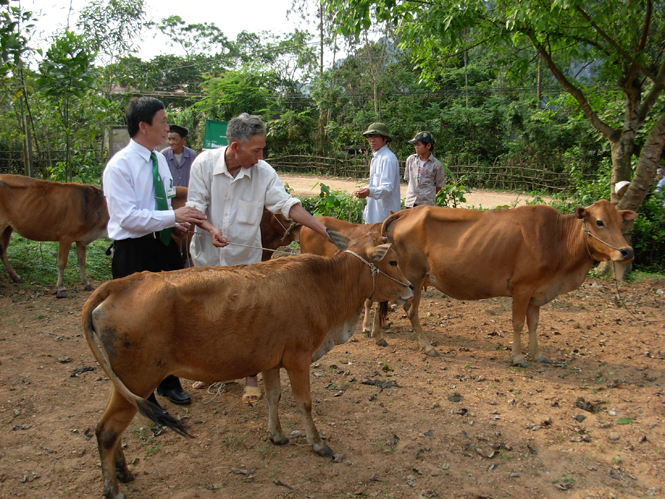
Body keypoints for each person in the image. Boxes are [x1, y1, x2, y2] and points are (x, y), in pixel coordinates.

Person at [186, 112, 331, 404]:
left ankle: (250, 374)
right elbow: (195, 206)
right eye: (256, 150)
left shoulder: (263, 172)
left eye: (262, 149)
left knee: (247, 318)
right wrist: (211, 228)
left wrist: (320, 227)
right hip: (208, 257)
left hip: (246, 262)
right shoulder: (203, 164)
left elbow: (286, 204)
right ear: (236, 147)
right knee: (211, 317)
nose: (261, 155)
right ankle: (213, 371)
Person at [103, 96, 207, 406]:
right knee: (138, 322)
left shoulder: (158, 159)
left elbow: (155, 205)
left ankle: (168, 381)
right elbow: (127, 219)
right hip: (133, 251)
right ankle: (142, 389)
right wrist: (174, 216)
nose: (167, 127)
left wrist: (173, 226)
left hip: (163, 246)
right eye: (162, 122)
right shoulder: (119, 167)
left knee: (169, 316)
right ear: (143, 126)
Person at [354, 122, 401, 223]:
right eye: (370, 137)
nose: (372, 140)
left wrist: (369, 192)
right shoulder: (376, 156)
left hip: (385, 213)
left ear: (385, 139)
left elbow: (387, 187)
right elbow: (375, 184)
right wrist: (366, 189)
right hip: (375, 211)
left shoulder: (388, 158)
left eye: (376, 137)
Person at [404, 131, 445, 208]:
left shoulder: (437, 165)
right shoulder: (411, 160)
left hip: (426, 205)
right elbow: (408, 178)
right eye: (415, 145)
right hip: (410, 202)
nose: (416, 147)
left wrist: (427, 195)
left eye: (419, 145)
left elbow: (439, 185)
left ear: (428, 146)